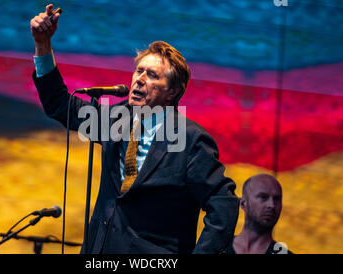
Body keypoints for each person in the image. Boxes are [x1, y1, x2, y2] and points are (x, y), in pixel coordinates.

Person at [30, 4, 239, 254]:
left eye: (152, 75)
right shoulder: (117, 119)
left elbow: (223, 204)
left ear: (173, 91)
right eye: (139, 71)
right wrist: (43, 44)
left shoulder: (191, 139)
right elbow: (59, 104)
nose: (139, 79)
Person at [227, 174, 293, 254]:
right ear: (243, 203)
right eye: (263, 197)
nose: (271, 205)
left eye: (276, 199)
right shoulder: (218, 248)